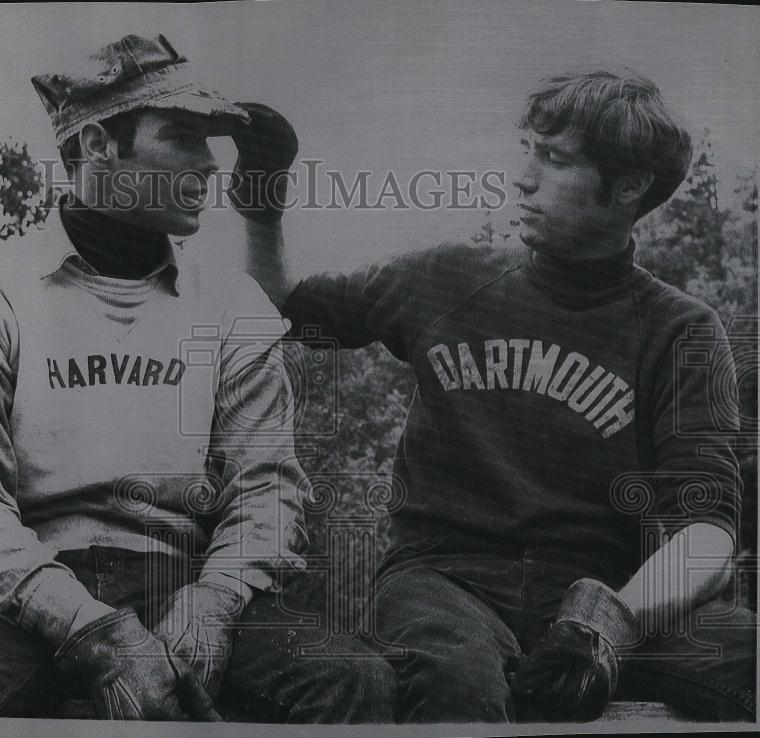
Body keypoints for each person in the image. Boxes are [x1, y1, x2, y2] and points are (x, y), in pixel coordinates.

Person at [0, 33, 395, 722]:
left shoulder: (233, 307)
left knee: (350, 681)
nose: (209, 166)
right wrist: (92, 630)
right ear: (100, 145)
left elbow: (266, 491)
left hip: (181, 578)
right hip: (11, 590)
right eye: (183, 137)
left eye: (213, 144)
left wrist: (217, 598)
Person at [244, 69, 756, 722]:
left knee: (747, 650)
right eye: (529, 151)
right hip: (444, 580)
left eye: (555, 158)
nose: (523, 178)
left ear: (629, 186)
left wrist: (612, 620)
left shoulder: (679, 328)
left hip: (594, 593)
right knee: (455, 681)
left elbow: (707, 531)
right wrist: (261, 205)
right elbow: (286, 301)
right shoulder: (447, 278)